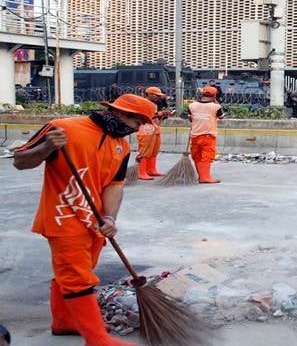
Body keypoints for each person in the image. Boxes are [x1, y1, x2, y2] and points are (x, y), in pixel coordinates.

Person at [13, 94, 155, 346]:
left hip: (94, 224)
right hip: (62, 218)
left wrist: (109, 217)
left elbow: (114, 185)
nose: (138, 128)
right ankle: (98, 339)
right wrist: (47, 147)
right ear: (121, 114)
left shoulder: (122, 146)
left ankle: (64, 323)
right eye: (138, 122)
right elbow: (21, 161)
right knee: (78, 277)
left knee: (73, 273)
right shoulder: (63, 127)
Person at [189, 86, 225, 184]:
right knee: (207, 156)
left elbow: (190, 118)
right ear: (214, 95)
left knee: (197, 156)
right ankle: (205, 178)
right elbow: (221, 117)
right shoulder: (216, 107)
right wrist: (216, 102)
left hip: (195, 136)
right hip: (208, 136)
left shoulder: (192, 106)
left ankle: (201, 176)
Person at [135, 87, 171, 180]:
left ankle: (151, 170)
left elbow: (155, 115)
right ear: (149, 94)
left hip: (155, 128)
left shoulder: (154, 103)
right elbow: (145, 116)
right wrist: (160, 113)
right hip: (146, 130)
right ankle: (141, 172)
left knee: (154, 151)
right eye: (156, 95)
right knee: (145, 151)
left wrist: (163, 114)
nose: (158, 97)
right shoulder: (142, 103)